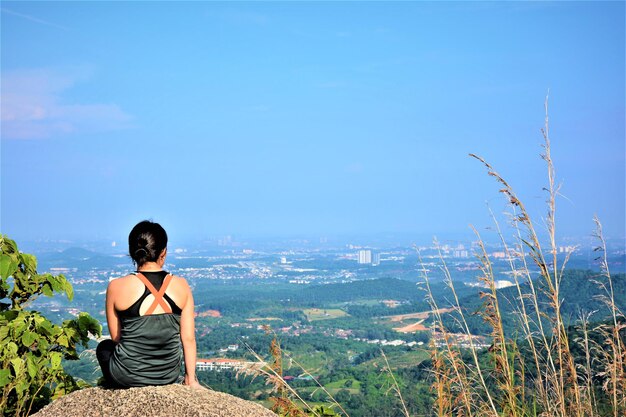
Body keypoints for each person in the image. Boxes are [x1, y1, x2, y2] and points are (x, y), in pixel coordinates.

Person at [96, 220, 201, 388]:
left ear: (132, 253)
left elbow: (117, 338)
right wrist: (190, 379)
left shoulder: (116, 286)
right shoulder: (182, 285)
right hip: (168, 375)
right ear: (164, 252)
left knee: (104, 347)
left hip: (127, 377)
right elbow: (188, 339)